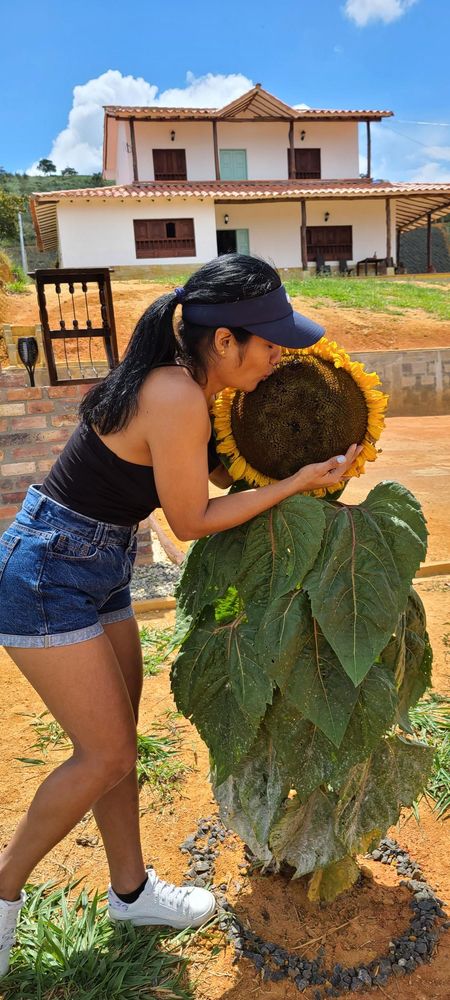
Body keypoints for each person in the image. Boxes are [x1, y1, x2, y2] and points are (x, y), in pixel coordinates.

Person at [0, 254, 361, 974]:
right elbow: (191, 520)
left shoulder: (190, 386)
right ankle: (3, 893)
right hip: (48, 572)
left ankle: (130, 893)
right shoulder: (175, 394)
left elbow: (219, 473)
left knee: (117, 747)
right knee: (105, 755)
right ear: (223, 341)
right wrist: (294, 484)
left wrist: (307, 457)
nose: (279, 355)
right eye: (269, 342)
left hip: (96, 562)